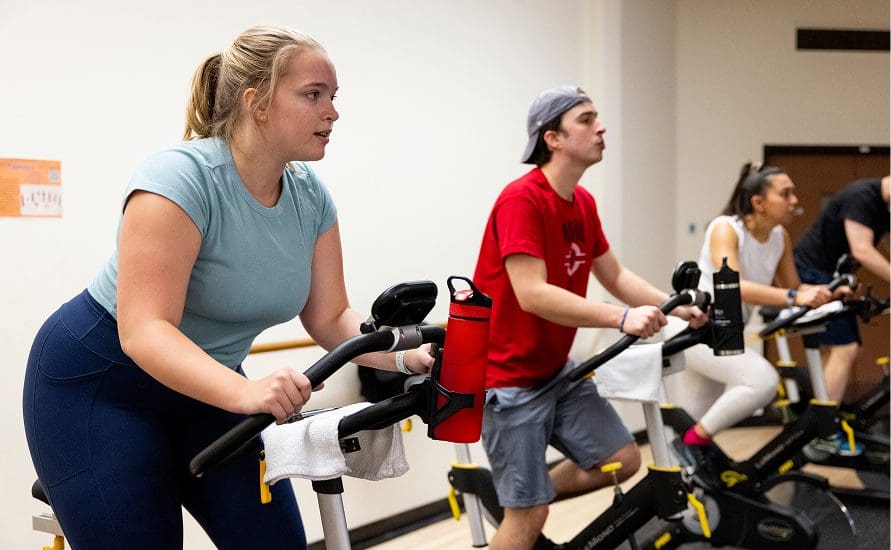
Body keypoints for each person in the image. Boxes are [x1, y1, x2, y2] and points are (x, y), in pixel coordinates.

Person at [22, 26, 434, 549]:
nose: (333, 112)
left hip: (207, 390)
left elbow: (331, 318)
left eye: (334, 97)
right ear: (255, 102)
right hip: (101, 387)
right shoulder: (179, 180)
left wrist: (408, 356)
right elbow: (145, 330)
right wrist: (245, 390)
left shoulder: (310, 198)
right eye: (313, 95)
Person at [472, 85, 708, 550]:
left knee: (621, 459)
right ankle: (523, 505)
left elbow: (615, 275)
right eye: (586, 119)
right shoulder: (522, 199)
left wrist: (677, 304)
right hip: (508, 381)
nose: (601, 127)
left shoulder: (582, 204)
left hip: (556, 373)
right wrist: (621, 319)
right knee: (529, 517)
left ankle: (522, 497)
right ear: (552, 138)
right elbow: (532, 294)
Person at [671, 162, 850, 466]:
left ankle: (686, 491)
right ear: (759, 202)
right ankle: (689, 447)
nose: (795, 200)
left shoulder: (779, 236)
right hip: (693, 330)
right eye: (786, 193)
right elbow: (733, 284)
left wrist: (827, 293)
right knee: (762, 381)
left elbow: (793, 287)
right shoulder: (726, 229)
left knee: (694, 419)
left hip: (723, 334)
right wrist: (795, 296)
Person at [793, 176, 890, 406]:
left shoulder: (883, 208)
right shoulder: (862, 196)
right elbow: (862, 250)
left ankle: (819, 424)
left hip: (829, 276)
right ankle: (824, 432)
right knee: (845, 348)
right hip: (813, 273)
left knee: (834, 351)